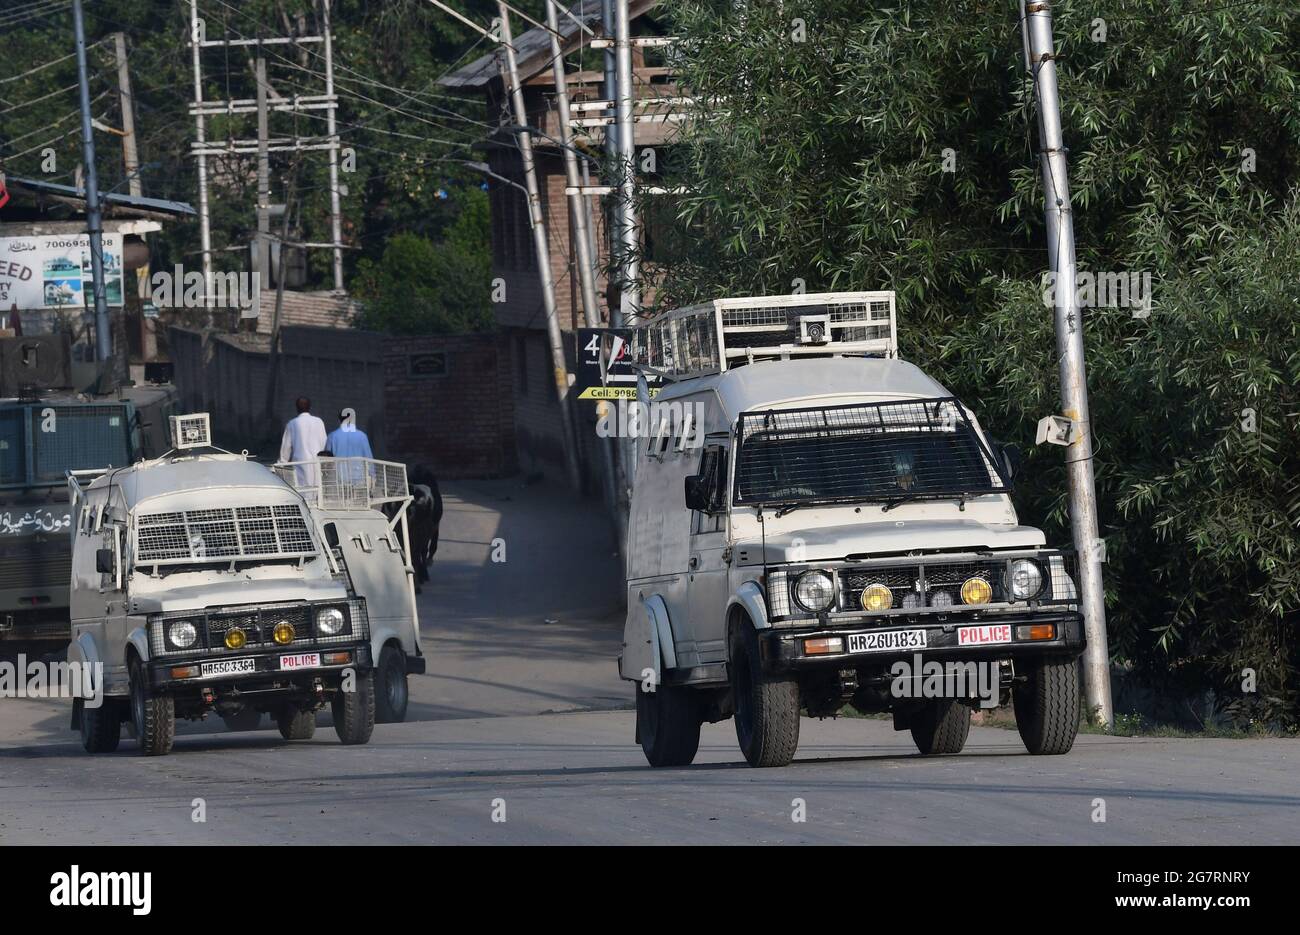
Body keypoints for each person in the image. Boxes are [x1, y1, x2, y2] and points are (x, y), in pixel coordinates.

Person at [279, 396, 327, 487]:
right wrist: (325, 462)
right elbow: (324, 442)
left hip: (300, 462)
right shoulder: (319, 421)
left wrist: (281, 464)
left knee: (303, 490)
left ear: (297, 407)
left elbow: (286, 447)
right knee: (318, 490)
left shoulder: (292, 423)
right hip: (317, 461)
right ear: (309, 407)